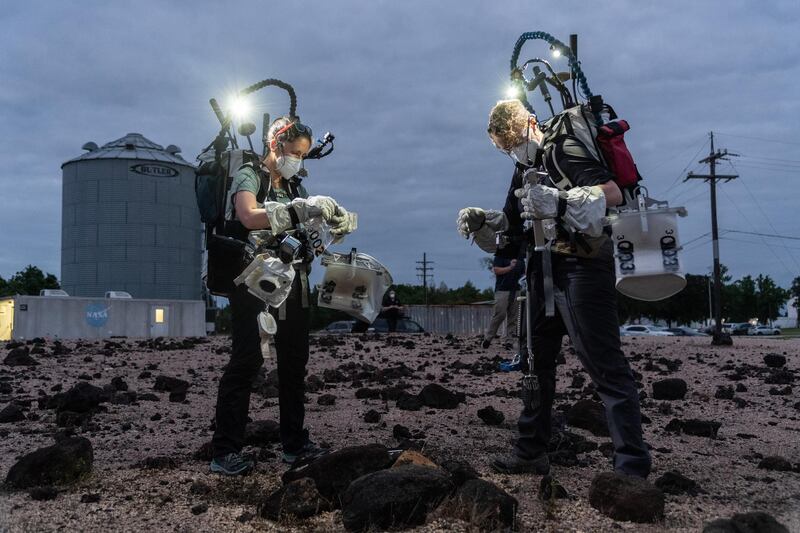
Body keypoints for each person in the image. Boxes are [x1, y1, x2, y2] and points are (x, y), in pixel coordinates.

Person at [457, 99, 651, 479]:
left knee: (604, 364)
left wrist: (559, 202)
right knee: (534, 363)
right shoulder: (524, 166)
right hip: (541, 267)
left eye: (514, 141)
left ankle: (631, 465)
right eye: (505, 148)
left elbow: (612, 193)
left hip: (583, 265)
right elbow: (513, 223)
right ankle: (531, 451)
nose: (514, 151)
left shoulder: (563, 149)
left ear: (531, 124)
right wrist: (484, 220)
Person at [210, 116, 355, 475]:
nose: (298, 161)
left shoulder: (295, 187)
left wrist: (333, 226)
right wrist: (293, 212)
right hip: (255, 283)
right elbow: (246, 216)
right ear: (275, 145)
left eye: (304, 156)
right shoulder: (250, 175)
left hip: (295, 284)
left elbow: (308, 231)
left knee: (294, 364)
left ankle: (294, 443)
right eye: (294, 153)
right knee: (247, 361)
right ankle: (225, 450)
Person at [482, 243, 525, 349]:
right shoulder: (500, 255)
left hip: (516, 290)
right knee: (499, 315)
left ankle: (509, 340)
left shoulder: (520, 256)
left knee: (513, 317)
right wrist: (510, 267)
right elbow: (496, 270)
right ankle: (488, 338)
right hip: (502, 290)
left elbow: (523, 272)